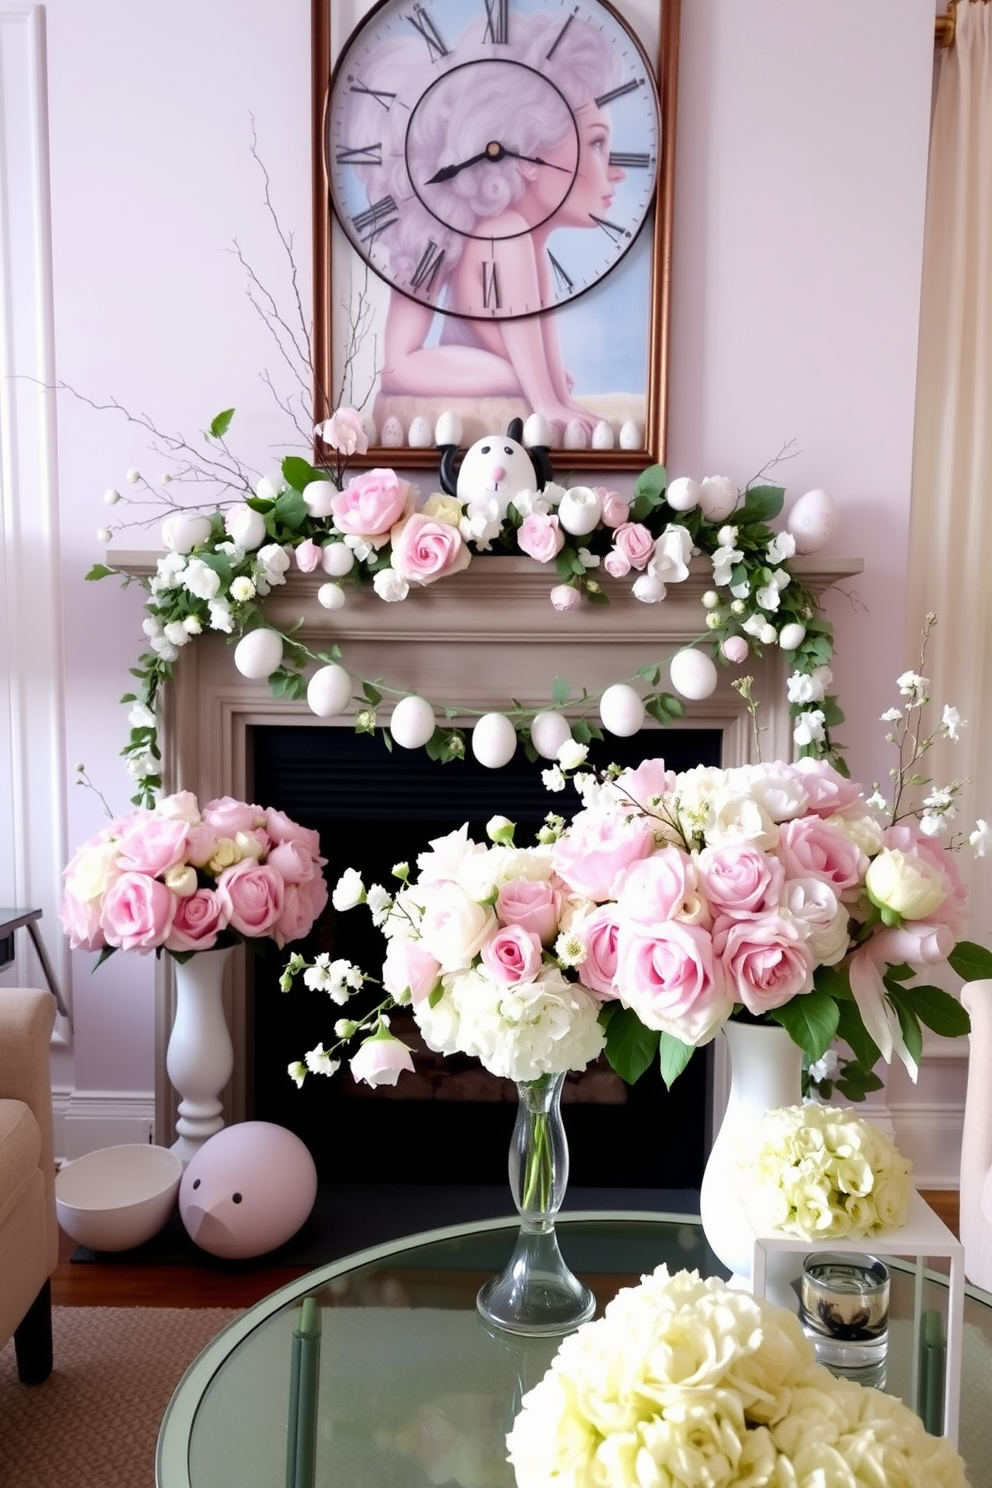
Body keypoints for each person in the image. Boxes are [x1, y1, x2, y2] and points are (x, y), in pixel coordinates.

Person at [341, 12, 629, 436]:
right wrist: (526, 385)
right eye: (597, 143)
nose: (617, 171)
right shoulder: (501, 234)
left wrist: (551, 395)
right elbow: (397, 368)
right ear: (532, 153)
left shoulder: (528, 249)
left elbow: (551, 389)